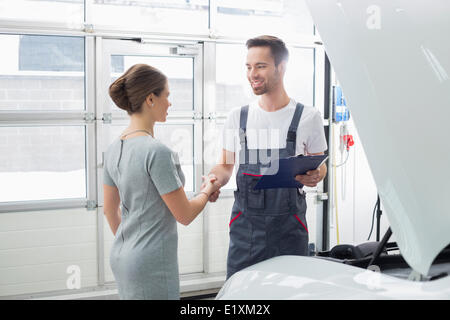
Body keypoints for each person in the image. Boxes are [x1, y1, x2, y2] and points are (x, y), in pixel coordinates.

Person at [205, 35, 328, 279]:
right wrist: (213, 180)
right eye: (249, 67)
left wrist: (316, 175)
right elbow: (225, 165)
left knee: (292, 292)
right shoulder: (237, 117)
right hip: (246, 232)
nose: (253, 74)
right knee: (241, 294)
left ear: (281, 68)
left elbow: (320, 166)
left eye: (260, 66)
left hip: (290, 231)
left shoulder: (308, 116)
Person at [103, 64, 220, 299]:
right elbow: (184, 215)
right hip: (151, 263)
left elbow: (109, 210)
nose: (170, 102)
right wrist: (207, 190)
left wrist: (130, 247)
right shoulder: (157, 152)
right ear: (150, 99)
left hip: (121, 257)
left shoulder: (113, 149)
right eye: (167, 95)